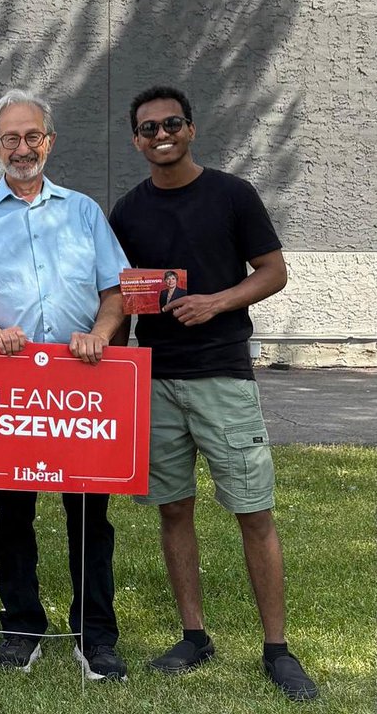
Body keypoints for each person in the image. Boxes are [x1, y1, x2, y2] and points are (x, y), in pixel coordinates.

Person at [109, 85, 318, 701]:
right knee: (174, 508)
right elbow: (122, 296)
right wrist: (110, 366)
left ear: (192, 129)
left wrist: (217, 302)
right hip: (157, 378)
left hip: (223, 375)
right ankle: (194, 634)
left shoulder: (232, 194)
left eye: (171, 123)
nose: (161, 134)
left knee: (253, 511)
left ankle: (277, 649)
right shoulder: (127, 211)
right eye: (148, 128)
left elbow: (274, 270)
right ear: (136, 141)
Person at [0, 89, 130, 682]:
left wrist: (102, 335)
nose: (23, 148)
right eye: (11, 138)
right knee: (13, 511)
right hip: (11, 390)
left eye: (33, 137)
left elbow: (116, 292)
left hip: (82, 385)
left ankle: (95, 634)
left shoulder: (83, 211)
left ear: (49, 143)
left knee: (88, 515)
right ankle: (21, 626)